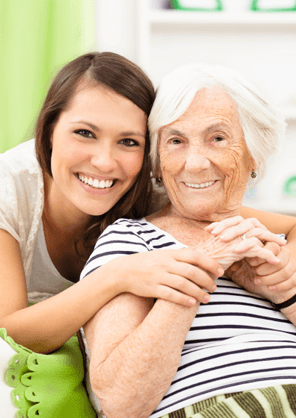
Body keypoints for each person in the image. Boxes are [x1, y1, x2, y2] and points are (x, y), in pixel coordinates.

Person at [81, 63, 296, 418]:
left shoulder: (277, 242)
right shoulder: (131, 241)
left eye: (218, 138)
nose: (195, 163)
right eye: (176, 141)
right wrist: (202, 267)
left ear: (254, 153)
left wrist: (283, 292)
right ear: (157, 163)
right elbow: (120, 401)